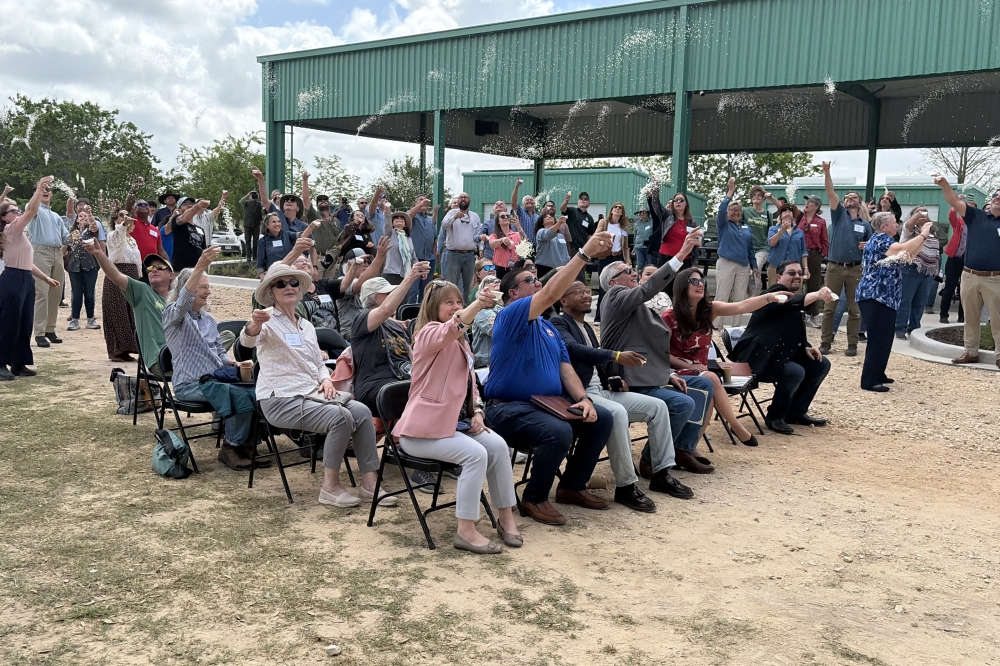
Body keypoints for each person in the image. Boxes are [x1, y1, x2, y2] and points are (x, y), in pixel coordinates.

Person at [484, 231, 615, 526]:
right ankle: (534, 497)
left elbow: (565, 369)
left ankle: (571, 486)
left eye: (537, 278)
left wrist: (583, 399)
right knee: (558, 431)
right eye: (529, 280)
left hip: (547, 404)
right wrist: (584, 254)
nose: (537, 282)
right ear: (513, 293)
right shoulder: (511, 314)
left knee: (602, 418)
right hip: (507, 408)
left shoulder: (549, 328)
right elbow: (552, 294)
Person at [244, 263, 393, 508]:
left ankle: (369, 482)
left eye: (293, 283)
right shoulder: (267, 319)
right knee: (341, 417)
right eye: (281, 283)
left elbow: (317, 362)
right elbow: (248, 339)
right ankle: (330, 488)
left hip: (311, 394)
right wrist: (254, 325)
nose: (289, 287)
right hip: (280, 398)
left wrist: (325, 379)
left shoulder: (306, 326)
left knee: (363, 412)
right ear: (271, 291)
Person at [392, 280, 520, 553]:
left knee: (498, 446)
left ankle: (506, 516)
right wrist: (477, 304)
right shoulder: (426, 333)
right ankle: (466, 530)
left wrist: (478, 411)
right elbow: (452, 327)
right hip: (420, 431)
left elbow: (470, 384)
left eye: (458, 302)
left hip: (455, 425)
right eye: (448, 302)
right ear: (433, 307)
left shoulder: (461, 343)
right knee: (475, 455)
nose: (455, 307)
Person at [553, 282, 693, 503]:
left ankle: (661, 473)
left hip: (602, 390)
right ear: (563, 301)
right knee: (617, 413)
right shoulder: (558, 323)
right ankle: (626, 485)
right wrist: (615, 355)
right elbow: (572, 349)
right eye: (578, 292)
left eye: (588, 292)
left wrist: (613, 380)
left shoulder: (587, 327)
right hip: (580, 394)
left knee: (658, 406)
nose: (586, 296)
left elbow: (596, 364)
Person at [598, 230, 715, 475]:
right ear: (612, 281)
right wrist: (681, 253)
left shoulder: (636, 305)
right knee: (682, 403)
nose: (633, 273)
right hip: (628, 379)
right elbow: (648, 288)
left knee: (703, 386)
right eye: (627, 271)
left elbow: (649, 346)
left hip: (651, 374)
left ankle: (683, 447)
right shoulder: (615, 297)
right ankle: (650, 460)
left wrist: (667, 373)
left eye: (633, 270)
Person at [664, 267, 794, 446]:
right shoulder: (669, 317)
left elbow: (741, 306)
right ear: (681, 287)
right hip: (677, 371)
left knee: (711, 389)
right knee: (711, 378)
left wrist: (768, 297)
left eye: (702, 280)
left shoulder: (709, 309)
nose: (700, 284)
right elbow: (661, 354)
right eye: (694, 281)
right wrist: (691, 366)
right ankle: (736, 426)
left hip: (702, 371)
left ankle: (689, 448)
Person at [162, 246, 258, 470]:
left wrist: (233, 363)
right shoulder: (173, 316)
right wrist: (200, 266)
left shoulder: (209, 320)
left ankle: (246, 445)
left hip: (215, 379)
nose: (208, 291)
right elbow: (183, 303)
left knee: (254, 390)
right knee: (235, 393)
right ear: (188, 288)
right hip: (189, 384)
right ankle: (230, 448)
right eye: (202, 287)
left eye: (208, 287)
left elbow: (218, 351)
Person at [732, 260, 834, 432]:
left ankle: (795, 412)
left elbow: (790, 330)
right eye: (791, 273)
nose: (797, 276)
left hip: (777, 354)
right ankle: (775, 417)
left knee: (821, 364)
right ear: (779, 276)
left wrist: (806, 347)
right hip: (758, 358)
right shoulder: (773, 294)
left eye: (800, 273)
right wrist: (817, 294)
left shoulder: (793, 300)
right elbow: (790, 302)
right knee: (795, 371)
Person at [855, 211, 936, 390]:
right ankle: (869, 380)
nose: (897, 225)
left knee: (885, 339)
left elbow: (909, 255)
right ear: (883, 226)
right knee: (877, 339)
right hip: (874, 296)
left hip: (886, 298)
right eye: (893, 223)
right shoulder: (880, 240)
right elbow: (902, 250)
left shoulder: (888, 241)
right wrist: (922, 233)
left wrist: (923, 239)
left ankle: (878, 372)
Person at [350, 262, 431, 415]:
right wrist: (411, 277)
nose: (393, 296)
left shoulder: (399, 326)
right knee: (421, 394)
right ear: (371, 298)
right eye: (387, 294)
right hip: (376, 386)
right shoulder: (362, 319)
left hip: (404, 379)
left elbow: (414, 359)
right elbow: (386, 310)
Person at [936, 177, 1000, 367]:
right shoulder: (977, 216)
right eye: (996, 196)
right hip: (969, 275)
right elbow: (954, 202)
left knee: (998, 319)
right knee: (970, 317)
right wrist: (944, 184)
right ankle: (970, 352)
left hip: (995, 278)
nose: (997, 198)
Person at [0, 180, 61, 380]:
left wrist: (45, 277)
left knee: (25, 322)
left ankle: (19, 363)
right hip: (12, 279)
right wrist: (38, 190)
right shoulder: (10, 230)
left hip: (26, 278)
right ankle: (1, 364)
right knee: (9, 323)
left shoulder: (19, 234)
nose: (17, 213)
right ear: (4, 217)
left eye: (18, 210)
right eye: (13, 211)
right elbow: (32, 211)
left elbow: (28, 262)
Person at [85, 242, 172, 376]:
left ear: (171, 275)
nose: (154, 270)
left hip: (180, 356)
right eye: (150, 268)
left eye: (160, 267)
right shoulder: (143, 292)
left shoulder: (175, 302)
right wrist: (99, 254)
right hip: (160, 359)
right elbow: (116, 277)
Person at [820, 162, 872, 357]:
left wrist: (867, 245)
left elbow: (871, 245)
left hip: (856, 269)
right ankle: (825, 342)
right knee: (829, 306)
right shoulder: (839, 215)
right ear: (843, 202)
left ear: (859, 203)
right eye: (847, 197)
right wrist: (827, 172)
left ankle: (852, 344)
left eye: (854, 197)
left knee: (855, 309)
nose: (850, 199)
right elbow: (830, 192)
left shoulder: (864, 224)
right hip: (835, 267)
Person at [26, 177, 69, 348]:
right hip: (40, 251)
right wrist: (39, 188)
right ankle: (39, 332)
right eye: (43, 189)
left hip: (57, 251)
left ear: (51, 194)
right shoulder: (34, 209)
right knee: (41, 292)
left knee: (55, 293)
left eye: (48, 189)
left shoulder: (56, 215)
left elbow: (66, 236)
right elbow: (30, 208)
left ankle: (50, 328)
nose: (46, 191)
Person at [714, 178, 758, 327]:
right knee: (722, 295)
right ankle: (716, 326)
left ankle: (736, 328)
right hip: (726, 262)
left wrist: (754, 265)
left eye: (738, 210)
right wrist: (730, 192)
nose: (736, 212)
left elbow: (750, 248)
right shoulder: (724, 224)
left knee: (740, 298)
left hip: (743, 266)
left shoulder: (746, 228)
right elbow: (721, 210)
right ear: (728, 212)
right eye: (733, 210)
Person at [895, 208, 940, 339]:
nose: (922, 214)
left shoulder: (932, 232)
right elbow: (907, 226)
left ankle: (914, 328)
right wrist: (915, 217)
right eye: (918, 211)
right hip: (909, 268)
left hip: (926, 271)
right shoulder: (909, 231)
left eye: (925, 212)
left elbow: (936, 251)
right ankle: (900, 328)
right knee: (905, 300)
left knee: (920, 303)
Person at [65, 211, 104, 332]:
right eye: (80, 216)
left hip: (91, 265)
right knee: (76, 293)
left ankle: (90, 319)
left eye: (85, 216)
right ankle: (74, 319)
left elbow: (94, 226)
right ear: (76, 220)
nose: (83, 218)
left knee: (89, 292)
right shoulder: (72, 233)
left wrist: (90, 216)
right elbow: (66, 246)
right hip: (74, 266)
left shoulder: (92, 231)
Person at [647, 183, 696, 275]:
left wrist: (695, 263)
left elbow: (695, 245)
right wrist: (655, 189)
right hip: (666, 258)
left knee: (682, 287)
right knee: (665, 287)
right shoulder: (667, 216)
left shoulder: (691, 222)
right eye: (675, 200)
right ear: (672, 204)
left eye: (681, 200)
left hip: (685, 260)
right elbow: (656, 205)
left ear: (686, 204)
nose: (678, 202)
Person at [441, 193, 481, 302]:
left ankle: (468, 310)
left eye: (465, 197)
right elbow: (444, 225)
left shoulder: (475, 216)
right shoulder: (451, 213)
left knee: (470, 284)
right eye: (461, 197)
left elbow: (478, 233)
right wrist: (454, 217)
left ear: (469, 200)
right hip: (453, 254)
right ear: (458, 201)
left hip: (469, 254)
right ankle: (452, 308)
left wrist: (480, 248)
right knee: (452, 284)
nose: (463, 199)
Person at [594, 203, 630, 322]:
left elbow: (625, 247)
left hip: (618, 258)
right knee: (603, 286)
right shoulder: (604, 223)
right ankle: (599, 317)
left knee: (618, 287)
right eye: (616, 207)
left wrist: (627, 260)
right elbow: (596, 235)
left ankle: (615, 317)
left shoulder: (623, 227)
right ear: (611, 210)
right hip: (606, 257)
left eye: (620, 208)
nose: (618, 209)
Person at [940, 198, 973, 324]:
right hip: (954, 258)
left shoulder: (977, 225)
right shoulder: (959, 222)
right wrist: (956, 203)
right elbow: (951, 215)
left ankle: (962, 316)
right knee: (949, 286)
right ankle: (944, 315)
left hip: (969, 260)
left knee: (965, 289)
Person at [798, 195, 828, 327]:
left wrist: (823, 257)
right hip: (798, 253)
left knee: (814, 284)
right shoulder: (799, 217)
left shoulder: (821, 221)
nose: (807, 204)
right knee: (797, 283)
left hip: (814, 254)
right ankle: (798, 314)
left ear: (816, 206)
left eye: (810, 202)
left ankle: (813, 315)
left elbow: (824, 240)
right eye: (807, 201)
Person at [405, 195, 439, 303]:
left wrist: (434, 255)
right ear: (415, 203)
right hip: (416, 258)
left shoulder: (430, 220)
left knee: (426, 290)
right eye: (420, 200)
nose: (424, 202)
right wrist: (419, 206)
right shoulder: (413, 217)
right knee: (413, 289)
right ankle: (409, 314)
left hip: (429, 258)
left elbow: (434, 239)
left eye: (425, 201)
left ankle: (422, 313)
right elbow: (408, 216)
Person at [767, 204, 809, 287]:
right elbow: (771, 243)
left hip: (794, 268)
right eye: (784, 210)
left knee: (794, 294)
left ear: (793, 215)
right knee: (774, 293)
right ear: (780, 215)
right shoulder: (773, 229)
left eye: (790, 210)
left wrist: (806, 268)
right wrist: (782, 230)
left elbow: (804, 252)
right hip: (776, 266)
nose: (787, 212)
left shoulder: (799, 232)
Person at [163, 198, 208, 271]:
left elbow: (203, 250)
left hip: (197, 270)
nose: (189, 205)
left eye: (192, 203)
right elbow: (183, 218)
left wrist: (205, 268)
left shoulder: (200, 229)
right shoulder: (176, 221)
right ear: (179, 209)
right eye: (185, 204)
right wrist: (197, 206)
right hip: (181, 270)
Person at [471, 275, 502, 368]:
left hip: (502, 362)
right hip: (487, 365)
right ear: (481, 290)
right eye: (490, 281)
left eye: (498, 280)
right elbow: (496, 331)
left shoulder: (505, 307)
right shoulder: (481, 308)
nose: (496, 281)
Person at [487, 208, 521, 280]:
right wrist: (501, 240)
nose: (506, 217)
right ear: (498, 222)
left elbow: (526, 241)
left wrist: (518, 226)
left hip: (514, 269)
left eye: (507, 216)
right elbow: (492, 244)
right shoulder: (494, 236)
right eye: (502, 216)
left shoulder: (516, 234)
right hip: (499, 269)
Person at [382, 211, 415, 285]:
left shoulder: (408, 238)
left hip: (406, 274)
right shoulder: (389, 234)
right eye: (396, 218)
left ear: (405, 225)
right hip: (391, 272)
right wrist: (387, 210)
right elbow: (387, 224)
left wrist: (420, 269)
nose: (399, 218)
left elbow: (413, 257)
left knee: (405, 296)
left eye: (402, 218)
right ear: (392, 224)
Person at [533, 212, 571, 277]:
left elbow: (565, 253)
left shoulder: (561, 236)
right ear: (542, 222)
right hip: (545, 267)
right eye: (546, 217)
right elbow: (548, 235)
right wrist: (559, 223)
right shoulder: (541, 231)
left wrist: (568, 265)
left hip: (561, 268)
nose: (550, 217)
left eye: (551, 216)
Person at [509, 179, 539, 244]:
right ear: (523, 204)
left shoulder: (537, 216)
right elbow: (513, 203)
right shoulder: (521, 211)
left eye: (531, 200)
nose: (529, 201)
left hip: (535, 246)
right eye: (527, 200)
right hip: (522, 245)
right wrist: (516, 187)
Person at [240, 189, 263, 263]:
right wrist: (248, 195)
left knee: (256, 241)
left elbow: (264, 206)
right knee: (248, 241)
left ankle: (255, 256)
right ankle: (248, 257)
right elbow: (241, 201)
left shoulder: (259, 203)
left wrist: (259, 197)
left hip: (256, 224)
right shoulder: (247, 203)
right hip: (247, 224)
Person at [633, 207, 653, 271]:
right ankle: (640, 279)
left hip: (649, 247)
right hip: (638, 247)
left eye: (644, 212)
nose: (642, 214)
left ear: (647, 213)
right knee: (640, 265)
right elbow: (635, 235)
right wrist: (634, 248)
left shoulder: (652, 221)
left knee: (650, 264)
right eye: (640, 213)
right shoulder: (637, 223)